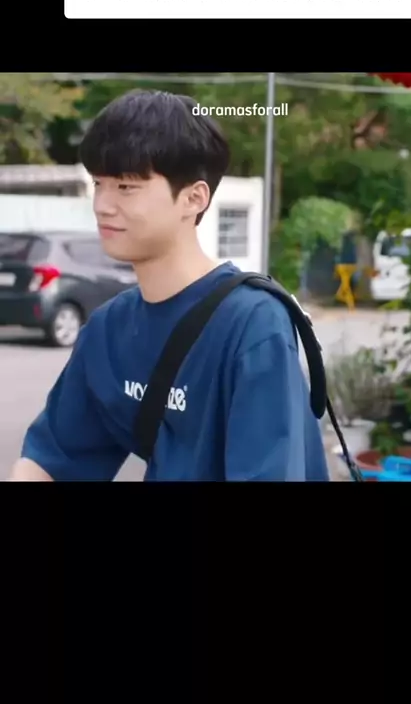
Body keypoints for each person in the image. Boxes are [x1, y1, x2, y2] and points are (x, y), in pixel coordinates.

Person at [8, 90, 330, 481]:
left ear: (194, 198)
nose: (102, 204)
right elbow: (52, 460)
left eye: (126, 186)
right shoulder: (109, 329)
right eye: (98, 183)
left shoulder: (253, 325)